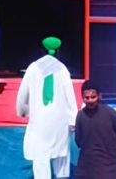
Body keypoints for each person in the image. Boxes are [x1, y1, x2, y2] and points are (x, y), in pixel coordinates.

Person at [16, 36, 78, 179]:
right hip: (59, 119)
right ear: (58, 51)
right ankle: (62, 176)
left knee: (40, 154)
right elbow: (70, 97)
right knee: (61, 152)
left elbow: (23, 93)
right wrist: (73, 119)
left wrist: (23, 111)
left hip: (39, 119)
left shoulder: (32, 68)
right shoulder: (63, 70)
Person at [73, 84, 116, 179]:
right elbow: (78, 141)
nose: (90, 100)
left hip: (108, 170)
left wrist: (114, 153)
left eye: (93, 97)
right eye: (87, 98)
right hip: (86, 169)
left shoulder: (111, 114)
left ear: (99, 96)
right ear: (82, 98)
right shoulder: (80, 115)